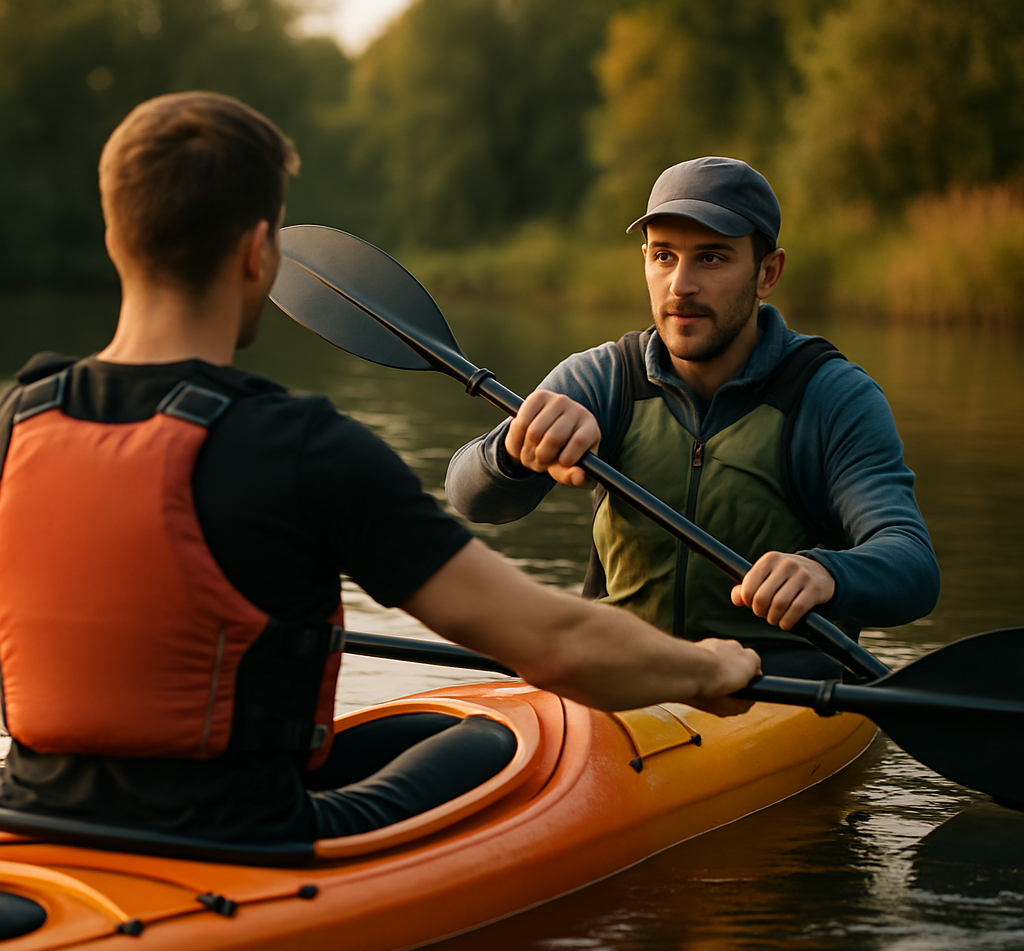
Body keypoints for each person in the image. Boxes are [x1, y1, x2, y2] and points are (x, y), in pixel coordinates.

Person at [0, 95, 759, 849]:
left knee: (418, 728)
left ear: (115, 238)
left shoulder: (17, 420)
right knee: (496, 742)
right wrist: (705, 668)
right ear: (258, 252)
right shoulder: (305, 448)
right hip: (243, 841)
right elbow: (551, 644)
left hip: (29, 813)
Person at [446, 157, 940, 679]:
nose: (680, 285)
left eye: (711, 258)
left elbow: (911, 563)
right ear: (645, 260)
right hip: (622, 677)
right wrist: (514, 451)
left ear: (767, 273)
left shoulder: (832, 397)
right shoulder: (603, 379)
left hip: (778, 687)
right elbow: (467, 497)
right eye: (664, 256)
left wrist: (827, 573)